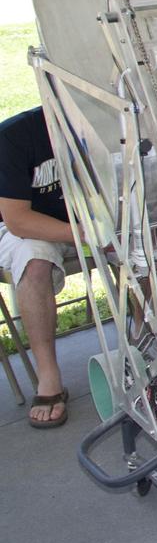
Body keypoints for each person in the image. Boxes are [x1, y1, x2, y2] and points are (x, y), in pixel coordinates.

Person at [0, 107, 77, 427]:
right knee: (34, 261)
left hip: (79, 218)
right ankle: (49, 378)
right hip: (18, 226)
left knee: (144, 234)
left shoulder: (109, 121)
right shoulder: (15, 137)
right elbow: (17, 220)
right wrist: (84, 234)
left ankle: (144, 338)